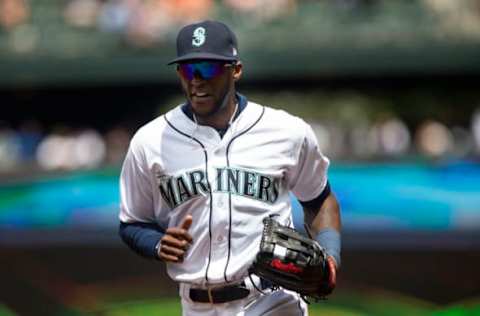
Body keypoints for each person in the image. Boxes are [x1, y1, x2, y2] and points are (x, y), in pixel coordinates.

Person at [118, 20, 341, 316]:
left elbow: (320, 199)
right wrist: (157, 244)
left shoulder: (286, 131)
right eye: (188, 70)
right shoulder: (150, 141)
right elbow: (132, 222)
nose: (196, 80)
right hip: (196, 305)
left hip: (271, 298)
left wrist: (330, 256)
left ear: (235, 70)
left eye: (207, 69)